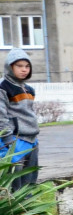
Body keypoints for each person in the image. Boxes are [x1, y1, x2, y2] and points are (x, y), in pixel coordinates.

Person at [0, 49, 41, 189]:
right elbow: (1, 116)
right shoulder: (3, 87)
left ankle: (29, 208)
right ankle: (16, 210)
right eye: (19, 66)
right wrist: (7, 140)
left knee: (30, 179)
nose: (24, 70)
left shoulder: (29, 89)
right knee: (14, 180)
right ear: (10, 67)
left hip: (31, 139)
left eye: (27, 66)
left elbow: (28, 113)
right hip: (14, 140)